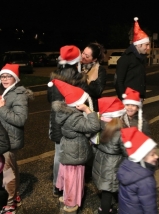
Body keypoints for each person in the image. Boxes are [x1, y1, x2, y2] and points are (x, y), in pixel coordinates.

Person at [48, 79, 101, 213]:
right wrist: (88, 110)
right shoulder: (75, 117)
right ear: (78, 103)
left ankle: (66, 197)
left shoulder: (65, 113)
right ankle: (71, 204)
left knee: (67, 175)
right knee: (74, 178)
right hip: (76, 149)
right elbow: (94, 126)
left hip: (68, 148)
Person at [47, 45, 88, 197]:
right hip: (75, 121)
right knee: (75, 154)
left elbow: (49, 99)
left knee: (59, 154)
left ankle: (57, 187)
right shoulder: (80, 78)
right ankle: (72, 187)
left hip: (57, 120)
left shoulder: (54, 78)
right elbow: (84, 100)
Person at [0, 64, 34, 213]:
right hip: (5, 137)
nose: (4, 79)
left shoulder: (19, 95)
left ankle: (10, 205)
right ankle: (14, 195)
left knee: (7, 172)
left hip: (9, 139)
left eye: (8, 76)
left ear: (15, 78)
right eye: (2, 76)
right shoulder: (6, 92)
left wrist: (1, 107)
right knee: (12, 167)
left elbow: (20, 120)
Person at [92, 97, 127, 214]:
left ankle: (103, 209)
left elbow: (94, 144)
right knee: (114, 190)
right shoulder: (121, 132)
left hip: (100, 160)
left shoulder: (99, 125)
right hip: (114, 165)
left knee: (106, 192)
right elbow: (126, 152)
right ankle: (108, 211)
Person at [117, 127, 159, 214]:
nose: (156, 156)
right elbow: (149, 207)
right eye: (152, 155)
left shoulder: (126, 168)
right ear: (141, 158)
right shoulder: (146, 181)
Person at [114, 17, 150, 100]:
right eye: (146, 45)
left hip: (138, 99)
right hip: (128, 101)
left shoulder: (142, 58)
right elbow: (118, 81)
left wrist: (142, 95)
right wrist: (124, 99)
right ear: (138, 45)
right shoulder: (126, 58)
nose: (148, 48)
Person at [81, 42, 107, 111]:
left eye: (87, 56)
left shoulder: (100, 70)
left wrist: (83, 81)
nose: (83, 57)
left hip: (91, 107)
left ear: (94, 59)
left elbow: (98, 91)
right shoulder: (77, 66)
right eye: (83, 53)